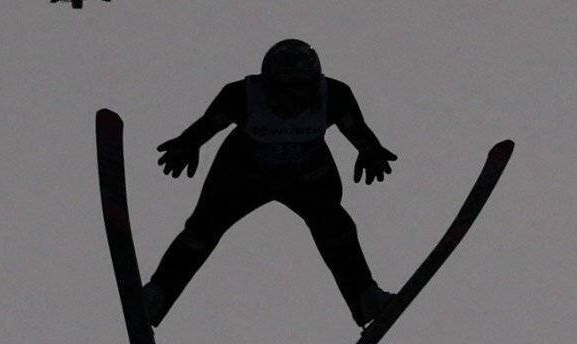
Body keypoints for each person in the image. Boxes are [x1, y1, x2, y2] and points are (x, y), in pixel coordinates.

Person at [141, 39, 397, 328]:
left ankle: (365, 297)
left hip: (306, 178)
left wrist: (369, 149)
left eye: (302, 88)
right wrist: (188, 144)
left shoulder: (334, 95)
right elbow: (209, 123)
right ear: (268, 83)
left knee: (336, 228)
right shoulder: (241, 95)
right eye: (284, 90)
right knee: (203, 228)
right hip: (243, 176)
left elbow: (355, 127)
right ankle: (157, 295)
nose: (293, 99)